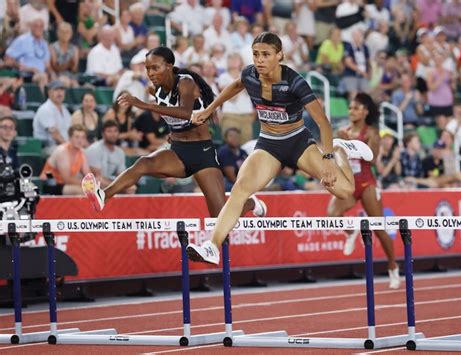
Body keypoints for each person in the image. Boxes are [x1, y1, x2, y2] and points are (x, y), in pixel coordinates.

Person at [186, 32, 373, 265]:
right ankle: (212, 246)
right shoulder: (250, 75)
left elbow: (323, 121)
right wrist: (209, 109)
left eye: (266, 55)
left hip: (298, 142)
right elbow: (235, 85)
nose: (260, 60)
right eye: (256, 55)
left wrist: (328, 158)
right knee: (239, 190)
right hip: (269, 144)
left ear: (279, 55)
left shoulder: (294, 82)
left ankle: (341, 150)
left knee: (345, 191)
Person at [81, 46, 266, 223]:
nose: (150, 73)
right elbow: (174, 117)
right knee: (144, 163)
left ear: (169, 66)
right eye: (147, 69)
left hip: (202, 153)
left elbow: (186, 112)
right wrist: (174, 132)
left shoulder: (185, 82)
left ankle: (249, 203)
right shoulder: (157, 90)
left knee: (219, 218)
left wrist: (144, 105)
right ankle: (103, 195)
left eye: (155, 67)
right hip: (178, 152)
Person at [327, 93, 400, 289]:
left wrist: (350, 143)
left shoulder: (371, 133)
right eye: (350, 108)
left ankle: (393, 267)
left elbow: (373, 159)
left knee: (378, 228)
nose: (351, 111)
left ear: (365, 112)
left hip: (367, 183)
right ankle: (351, 233)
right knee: (332, 214)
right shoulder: (342, 131)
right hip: (349, 182)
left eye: (356, 108)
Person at [85, 119, 135, 193]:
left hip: (109, 183)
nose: (113, 134)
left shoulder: (120, 152)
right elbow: (97, 177)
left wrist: (126, 185)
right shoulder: (94, 149)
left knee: (131, 187)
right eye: (109, 131)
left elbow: (121, 175)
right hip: (92, 184)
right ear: (103, 134)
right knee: (99, 182)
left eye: (115, 131)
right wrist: (119, 186)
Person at [40, 124, 90, 195]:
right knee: (82, 191)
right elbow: (67, 179)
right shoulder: (62, 151)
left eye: (83, 137)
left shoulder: (81, 153)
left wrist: (92, 184)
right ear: (70, 138)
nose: (80, 140)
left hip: (65, 184)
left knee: (96, 191)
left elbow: (88, 175)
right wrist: (87, 185)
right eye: (77, 137)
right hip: (50, 183)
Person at [33, 80, 72, 155]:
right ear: (49, 92)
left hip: (63, 145)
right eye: (56, 90)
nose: (59, 93)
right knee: (66, 154)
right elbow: (55, 135)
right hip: (47, 147)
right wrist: (69, 147)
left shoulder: (65, 110)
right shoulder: (45, 109)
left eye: (62, 90)